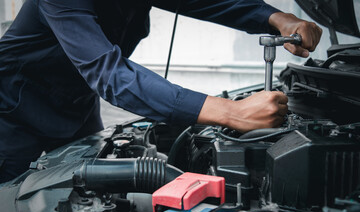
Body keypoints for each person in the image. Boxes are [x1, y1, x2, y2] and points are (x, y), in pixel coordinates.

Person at [0, 0, 322, 183]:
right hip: (14, 113)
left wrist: (275, 17)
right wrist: (231, 111)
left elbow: (212, 2)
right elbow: (110, 74)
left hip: (76, 108)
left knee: (91, 193)